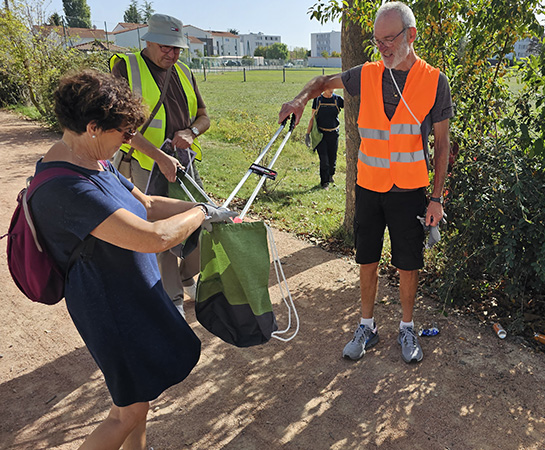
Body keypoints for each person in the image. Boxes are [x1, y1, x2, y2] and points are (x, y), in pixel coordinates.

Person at [30, 69, 234, 449]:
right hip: (111, 307)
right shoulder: (66, 188)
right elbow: (153, 238)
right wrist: (202, 216)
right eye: (123, 135)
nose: (129, 142)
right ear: (93, 127)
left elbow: (150, 205)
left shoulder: (93, 162)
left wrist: (204, 205)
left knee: (139, 400)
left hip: (132, 294)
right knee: (128, 411)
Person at [280, 2, 453, 363]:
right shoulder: (366, 73)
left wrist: (436, 198)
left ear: (411, 35)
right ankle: (367, 326)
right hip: (369, 186)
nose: (384, 47)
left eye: (390, 39)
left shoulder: (435, 81)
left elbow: (441, 146)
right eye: (378, 41)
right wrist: (298, 100)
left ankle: (406, 328)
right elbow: (321, 83)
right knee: (367, 258)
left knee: (408, 262)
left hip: (409, 190)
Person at [110, 13, 211, 317]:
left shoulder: (184, 71)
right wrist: (158, 156)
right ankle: (173, 298)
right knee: (160, 230)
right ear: (149, 41)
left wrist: (191, 132)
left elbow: (204, 116)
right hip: (145, 163)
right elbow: (119, 125)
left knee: (202, 218)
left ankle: (186, 275)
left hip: (183, 163)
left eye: (177, 48)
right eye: (166, 47)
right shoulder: (125, 67)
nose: (172, 53)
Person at [305, 88, 344, 189]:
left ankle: (330, 175)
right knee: (324, 160)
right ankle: (324, 182)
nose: (331, 90)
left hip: (334, 133)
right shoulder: (318, 100)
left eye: (333, 88)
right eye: (329, 88)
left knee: (332, 159)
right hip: (320, 135)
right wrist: (307, 134)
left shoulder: (338, 100)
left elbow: (351, 108)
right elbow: (312, 118)